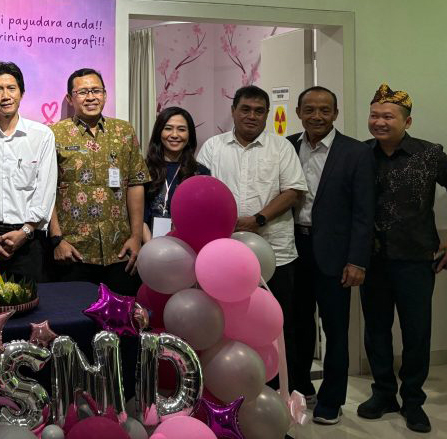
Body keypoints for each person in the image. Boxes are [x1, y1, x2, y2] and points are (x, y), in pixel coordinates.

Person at [357, 84, 447, 434]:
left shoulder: (429, 154)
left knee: (416, 333)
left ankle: (413, 400)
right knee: (376, 330)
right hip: (372, 260)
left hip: (416, 259)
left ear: (407, 121)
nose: (379, 121)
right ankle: (384, 393)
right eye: (374, 115)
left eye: (388, 116)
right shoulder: (360, 154)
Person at [197, 85, 307, 386]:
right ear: (233, 111)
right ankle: (232, 387)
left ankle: (280, 389)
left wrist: (259, 219)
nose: (252, 116)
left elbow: (293, 191)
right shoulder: (213, 147)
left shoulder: (281, 147)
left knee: (277, 324)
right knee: (229, 326)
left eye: (259, 111)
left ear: (267, 115)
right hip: (225, 257)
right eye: (245, 109)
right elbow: (202, 192)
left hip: (275, 253)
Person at [286, 86, 375, 425]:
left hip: (336, 254)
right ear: (299, 112)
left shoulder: (356, 152)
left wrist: (357, 260)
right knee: (297, 324)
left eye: (325, 110)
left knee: (335, 329)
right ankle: (301, 385)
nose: (317, 116)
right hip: (294, 249)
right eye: (309, 109)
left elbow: (364, 213)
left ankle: (331, 399)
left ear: (335, 113)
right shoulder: (287, 146)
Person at [47, 68, 149, 295]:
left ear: (105, 94)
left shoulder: (124, 131)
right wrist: (57, 240)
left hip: (120, 250)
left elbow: (135, 183)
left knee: (123, 313)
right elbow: (46, 190)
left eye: (96, 91)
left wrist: (136, 237)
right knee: (73, 314)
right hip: (73, 252)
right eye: (83, 92)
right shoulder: (54, 134)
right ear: (69, 98)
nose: (91, 97)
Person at [0, 61, 56, 282]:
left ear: (22, 93)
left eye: (11, 88)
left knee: (32, 301)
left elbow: (46, 189)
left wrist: (26, 231)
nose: (5, 96)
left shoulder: (42, 135)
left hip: (30, 240)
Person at [142, 106, 210, 240]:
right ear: (159, 132)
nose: (174, 135)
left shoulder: (200, 173)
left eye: (181, 129)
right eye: (168, 128)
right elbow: (139, 216)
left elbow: (203, 218)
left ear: (190, 134)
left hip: (188, 245)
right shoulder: (143, 169)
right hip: (148, 243)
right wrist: (151, 247)